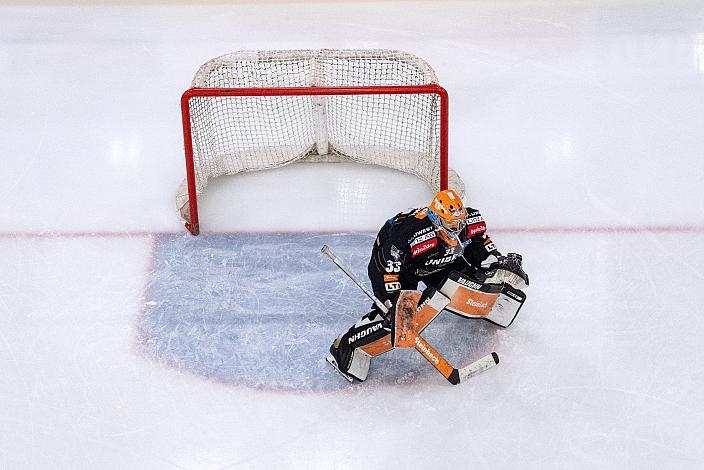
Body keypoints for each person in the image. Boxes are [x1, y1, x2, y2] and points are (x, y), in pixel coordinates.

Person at [326, 188, 529, 382]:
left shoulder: (470, 220)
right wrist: (391, 300)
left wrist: (495, 261)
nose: (457, 229)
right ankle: (345, 348)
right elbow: (387, 269)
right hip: (402, 268)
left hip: (441, 260)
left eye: (460, 222)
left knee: (477, 277)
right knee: (400, 319)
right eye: (450, 224)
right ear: (435, 219)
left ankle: (493, 304)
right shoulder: (408, 233)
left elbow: (480, 245)